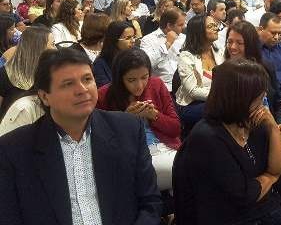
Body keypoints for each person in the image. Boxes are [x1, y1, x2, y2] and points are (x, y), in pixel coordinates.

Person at [0, 48, 162, 224]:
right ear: (45, 96)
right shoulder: (14, 149)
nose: (82, 90)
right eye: (68, 84)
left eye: (87, 79)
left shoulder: (127, 130)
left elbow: (150, 203)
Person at [173, 59, 281, 225]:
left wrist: (272, 127)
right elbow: (245, 196)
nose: (263, 103)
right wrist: (270, 176)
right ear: (238, 99)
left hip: (263, 209)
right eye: (259, 98)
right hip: (229, 217)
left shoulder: (254, 122)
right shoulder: (206, 138)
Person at [97, 48, 180, 191]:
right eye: (131, 80)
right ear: (119, 78)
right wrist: (125, 119)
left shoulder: (156, 85)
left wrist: (154, 115)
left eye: (144, 77)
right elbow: (103, 143)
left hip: (166, 148)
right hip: (135, 157)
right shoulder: (104, 95)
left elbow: (175, 128)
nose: (140, 85)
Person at [224, 21, 281, 128]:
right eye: (230, 42)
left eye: (239, 43)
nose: (233, 47)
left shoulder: (266, 68)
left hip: (270, 127)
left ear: (250, 45)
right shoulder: (223, 73)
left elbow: (279, 102)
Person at [0, 26, 54, 121]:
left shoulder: (52, 74)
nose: (56, 49)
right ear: (38, 48)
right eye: (53, 44)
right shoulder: (5, 74)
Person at [175, 15, 218, 130]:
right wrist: (220, 96)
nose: (216, 28)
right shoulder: (186, 56)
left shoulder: (219, 51)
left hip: (215, 101)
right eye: (210, 26)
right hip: (191, 104)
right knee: (222, 110)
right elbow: (193, 91)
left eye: (215, 25)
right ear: (199, 32)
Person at [140, 8, 187, 91]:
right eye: (180, 25)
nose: (184, 27)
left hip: (184, 85)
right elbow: (147, 65)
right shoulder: (148, 40)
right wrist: (167, 44)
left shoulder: (184, 38)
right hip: (162, 87)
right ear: (169, 26)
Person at [92, 21, 136, 87]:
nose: (133, 41)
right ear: (114, 40)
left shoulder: (136, 57)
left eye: (134, 37)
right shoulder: (100, 63)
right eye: (128, 38)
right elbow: (103, 91)